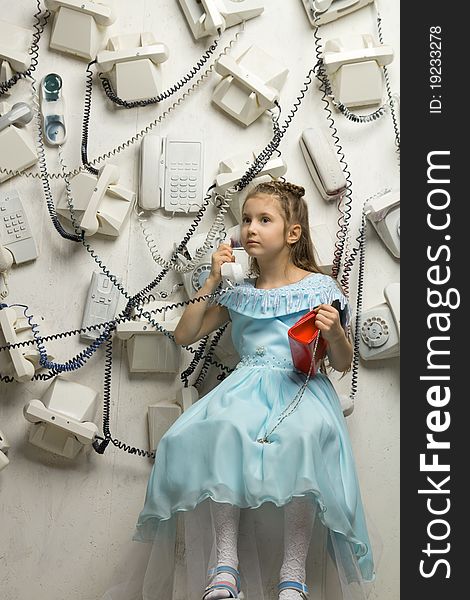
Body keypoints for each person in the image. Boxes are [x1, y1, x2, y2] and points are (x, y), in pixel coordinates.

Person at [117, 181, 378, 600]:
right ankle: (225, 565)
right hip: (247, 384)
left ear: (292, 233)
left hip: (300, 386)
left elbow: (342, 363)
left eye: (264, 220)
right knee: (219, 428)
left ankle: (293, 574)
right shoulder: (239, 293)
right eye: (246, 220)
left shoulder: (321, 289)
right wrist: (212, 280)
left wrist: (337, 335)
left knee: (304, 437)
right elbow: (185, 335)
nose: (251, 229)